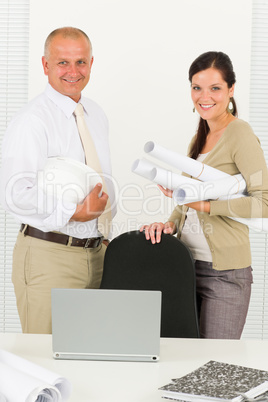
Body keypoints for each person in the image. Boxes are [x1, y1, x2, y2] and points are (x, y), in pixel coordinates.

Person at [140, 51, 268, 339]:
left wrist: (206, 205)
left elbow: (264, 202)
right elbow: (186, 204)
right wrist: (170, 224)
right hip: (185, 266)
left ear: (231, 90)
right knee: (183, 361)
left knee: (213, 367)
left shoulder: (241, 135)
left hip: (225, 274)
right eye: (197, 87)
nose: (204, 96)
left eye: (215, 88)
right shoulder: (200, 138)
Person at [0, 27, 116, 334]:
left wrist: (102, 235)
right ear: (45, 65)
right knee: (45, 361)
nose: (73, 71)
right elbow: (14, 192)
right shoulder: (32, 120)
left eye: (80, 62)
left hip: (97, 254)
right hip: (48, 257)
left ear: (91, 63)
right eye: (63, 62)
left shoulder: (96, 115)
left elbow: (98, 179)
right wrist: (73, 213)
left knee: (91, 356)